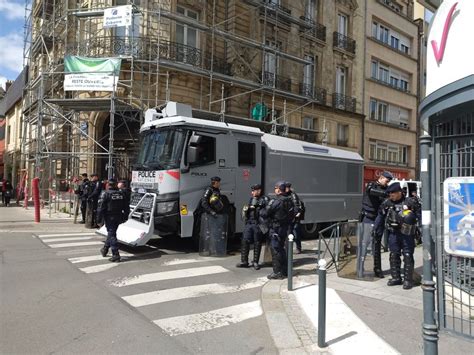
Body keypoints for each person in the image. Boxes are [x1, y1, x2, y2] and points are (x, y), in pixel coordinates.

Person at [373, 182, 420, 289]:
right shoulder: (387, 203)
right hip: (393, 233)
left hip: (407, 233)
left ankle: (408, 280)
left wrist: (418, 227)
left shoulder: (410, 202)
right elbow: (380, 216)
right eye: (389, 193)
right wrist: (376, 229)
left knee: (407, 255)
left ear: (399, 192)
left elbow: (419, 216)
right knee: (394, 254)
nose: (391, 195)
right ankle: (396, 278)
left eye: (393, 193)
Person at [359, 171, 393, 278]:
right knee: (364, 244)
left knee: (377, 244)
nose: (387, 184)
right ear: (381, 178)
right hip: (368, 217)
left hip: (378, 218)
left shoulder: (386, 189)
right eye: (387, 181)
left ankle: (377, 269)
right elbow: (372, 191)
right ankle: (360, 267)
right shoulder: (371, 185)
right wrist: (387, 194)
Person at [261, 181, 293, 280]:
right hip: (284, 227)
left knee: (276, 250)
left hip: (276, 228)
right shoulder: (289, 200)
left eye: (276, 188)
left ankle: (277, 272)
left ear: (279, 189)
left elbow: (265, 213)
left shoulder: (276, 201)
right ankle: (285, 270)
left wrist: (262, 210)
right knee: (282, 249)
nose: (275, 190)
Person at [237, 184, 269, 270]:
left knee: (257, 242)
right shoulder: (251, 199)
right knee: (245, 241)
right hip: (249, 223)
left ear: (259, 191)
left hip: (257, 224)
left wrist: (259, 206)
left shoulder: (264, 199)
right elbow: (247, 210)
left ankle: (255, 262)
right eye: (252, 191)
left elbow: (267, 212)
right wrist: (246, 211)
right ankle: (244, 261)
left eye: (254, 191)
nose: (252, 192)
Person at [97, 179, 129, 262]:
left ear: (108, 185)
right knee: (111, 233)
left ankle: (116, 254)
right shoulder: (121, 194)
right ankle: (105, 249)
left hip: (109, 217)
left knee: (112, 234)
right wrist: (126, 216)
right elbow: (126, 206)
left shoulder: (106, 194)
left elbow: (101, 207)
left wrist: (98, 218)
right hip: (119, 216)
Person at [285, 182, 304, 254]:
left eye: (287, 187)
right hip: (288, 218)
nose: (286, 189)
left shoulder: (293, 195)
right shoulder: (285, 195)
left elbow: (296, 205)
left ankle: (298, 248)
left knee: (296, 233)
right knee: (289, 233)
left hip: (294, 218)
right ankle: (288, 249)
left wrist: (295, 215)